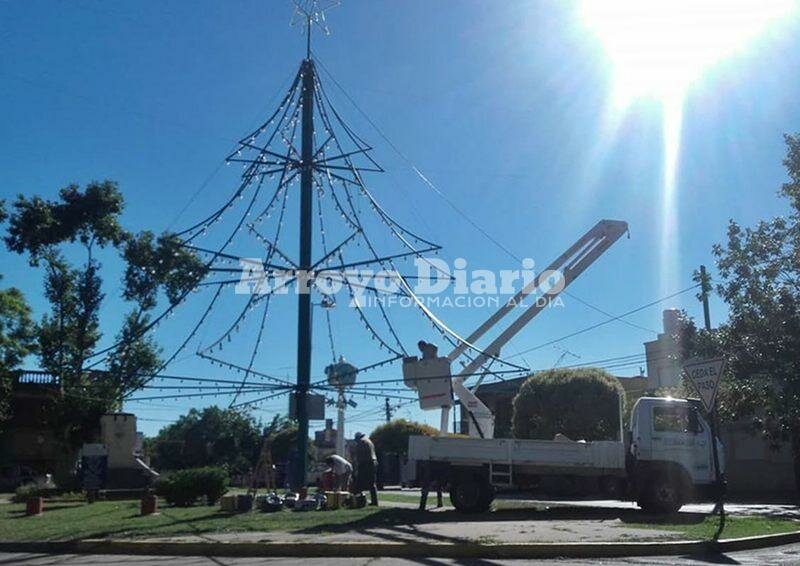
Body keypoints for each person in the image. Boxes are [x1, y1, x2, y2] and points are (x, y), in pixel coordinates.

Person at [352, 432, 379, 506]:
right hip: (373, 462)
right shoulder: (369, 441)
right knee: (372, 483)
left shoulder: (362, 442)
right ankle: (374, 501)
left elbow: (359, 455)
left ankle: (358, 500)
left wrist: (356, 466)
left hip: (366, 464)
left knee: (359, 483)